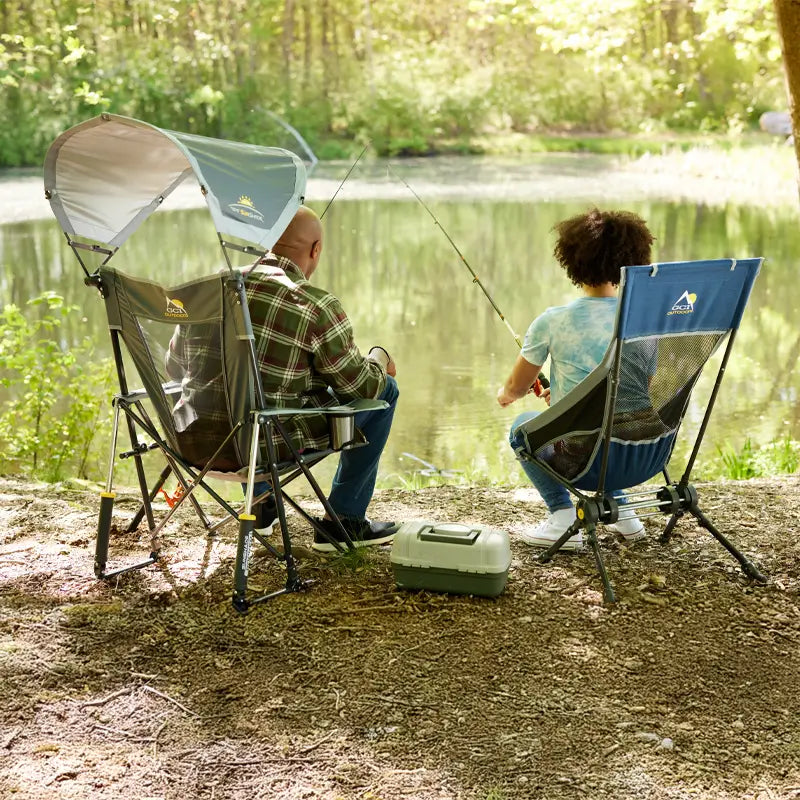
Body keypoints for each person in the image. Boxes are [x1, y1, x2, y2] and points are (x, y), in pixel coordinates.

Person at [496, 208, 656, 551]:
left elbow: (516, 387)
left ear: (572, 261)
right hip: (641, 453)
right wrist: (568, 399)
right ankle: (624, 511)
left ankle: (563, 517)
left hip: (586, 459)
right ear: (634, 260)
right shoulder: (645, 323)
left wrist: (505, 395)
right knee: (607, 423)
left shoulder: (555, 321)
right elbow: (635, 389)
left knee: (522, 428)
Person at [243, 205, 399, 552]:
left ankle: (260, 506)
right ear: (316, 250)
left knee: (252, 394)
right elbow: (363, 387)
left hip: (205, 438)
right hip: (274, 438)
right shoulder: (315, 305)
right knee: (387, 390)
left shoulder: (219, 288)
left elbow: (176, 364)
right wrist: (379, 357)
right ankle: (343, 521)